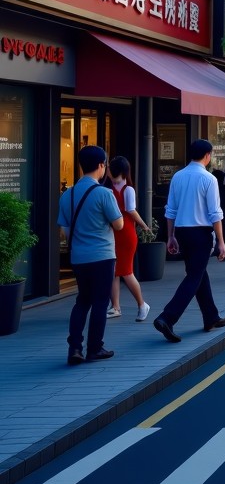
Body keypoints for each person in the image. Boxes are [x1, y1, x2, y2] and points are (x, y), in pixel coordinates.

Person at [153, 139, 225, 343]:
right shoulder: (209, 179)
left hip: (182, 232)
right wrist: (221, 241)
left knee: (198, 273)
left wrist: (171, 236)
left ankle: (211, 316)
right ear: (207, 155)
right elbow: (215, 213)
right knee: (194, 276)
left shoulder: (177, 176)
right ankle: (167, 317)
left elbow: (170, 210)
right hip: (200, 233)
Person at [57, 146, 123, 364]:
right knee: (100, 302)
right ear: (101, 165)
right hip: (102, 255)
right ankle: (95, 348)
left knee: (82, 301)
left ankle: (74, 348)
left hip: (78, 257)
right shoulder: (104, 194)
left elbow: (65, 230)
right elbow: (119, 224)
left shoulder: (67, 195)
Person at [106, 156, 150, 321]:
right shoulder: (110, 189)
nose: (107, 171)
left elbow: (131, 210)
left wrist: (144, 225)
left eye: (110, 168)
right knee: (114, 271)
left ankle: (142, 304)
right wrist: (144, 226)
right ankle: (115, 307)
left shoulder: (127, 189)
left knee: (125, 271)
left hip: (125, 234)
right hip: (113, 233)